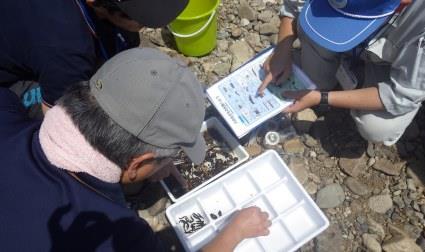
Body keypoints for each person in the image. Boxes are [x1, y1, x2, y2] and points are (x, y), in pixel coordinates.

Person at [0, 48, 271, 251]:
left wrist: (153, 164)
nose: (167, 166)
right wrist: (236, 231)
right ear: (136, 163)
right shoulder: (118, 234)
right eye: (167, 160)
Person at [259, 0, 425, 146]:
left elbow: (402, 95)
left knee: (377, 127)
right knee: (312, 76)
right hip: (337, 30)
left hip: (391, 62)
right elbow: (295, 5)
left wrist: (321, 98)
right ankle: (340, 54)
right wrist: (283, 48)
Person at [0, 0, 189, 118]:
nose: (147, 28)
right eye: (141, 22)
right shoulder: (68, 50)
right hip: (9, 80)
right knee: (74, 112)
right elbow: (57, 122)